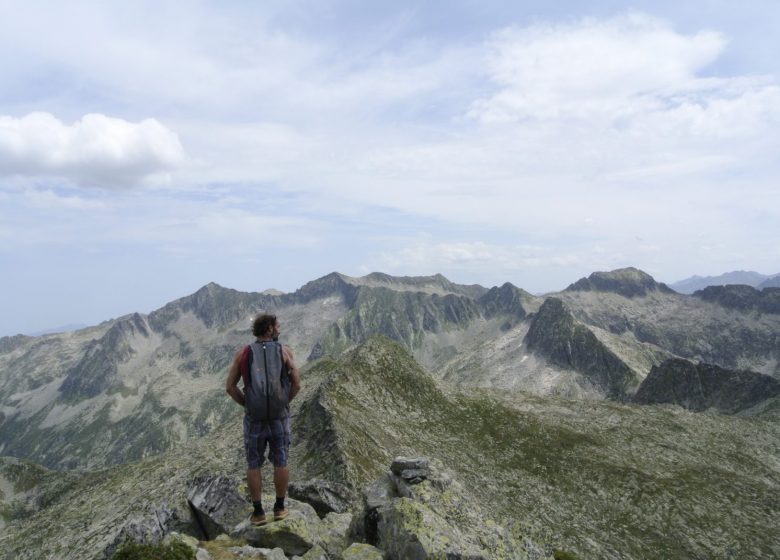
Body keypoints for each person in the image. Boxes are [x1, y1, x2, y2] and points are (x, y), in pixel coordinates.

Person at [226, 314, 301, 525]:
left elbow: (230, 387)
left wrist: (247, 405)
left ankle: (258, 513)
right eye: (277, 326)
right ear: (269, 329)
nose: (279, 329)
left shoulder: (243, 353)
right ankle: (279, 508)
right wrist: (285, 403)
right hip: (279, 417)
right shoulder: (284, 351)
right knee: (281, 460)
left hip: (254, 419)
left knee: (253, 463)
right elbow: (296, 383)